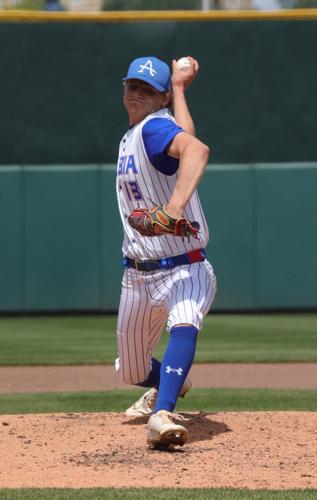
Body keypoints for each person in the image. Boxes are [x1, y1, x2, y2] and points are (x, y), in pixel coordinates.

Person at [115, 55, 217, 449]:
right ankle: (172, 379)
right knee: (130, 369)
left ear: (158, 100)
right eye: (132, 86)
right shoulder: (139, 134)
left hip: (185, 267)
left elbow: (197, 149)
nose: (136, 93)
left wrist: (174, 209)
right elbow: (183, 135)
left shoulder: (152, 127)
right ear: (123, 90)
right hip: (138, 274)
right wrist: (177, 89)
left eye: (147, 89)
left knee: (185, 321)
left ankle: (164, 412)